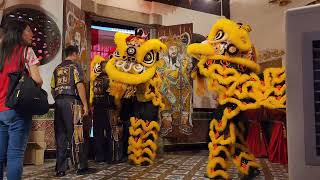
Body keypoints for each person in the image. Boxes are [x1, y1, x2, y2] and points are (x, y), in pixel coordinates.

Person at [0, 20, 43, 180]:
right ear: (20, 33)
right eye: (29, 30)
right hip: (17, 109)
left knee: (0, 156)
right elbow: (37, 80)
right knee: (15, 155)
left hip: (0, 110)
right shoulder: (26, 51)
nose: (32, 34)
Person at [51, 45, 89, 177]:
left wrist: (58, 99)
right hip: (72, 103)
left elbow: (52, 88)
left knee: (60, 135)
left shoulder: (57, 69)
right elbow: (79, 85)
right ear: (75, 54)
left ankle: (60, 168)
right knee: (75, 133)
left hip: (58, 102)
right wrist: (85, 104)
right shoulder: (75, 67)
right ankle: (79, 165)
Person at [92, 61, 123, 163]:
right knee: (112, 132)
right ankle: (112, 157)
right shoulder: (110, 80)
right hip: (109, 109)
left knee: (98, 133)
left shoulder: (96, 80)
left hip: (97, 109)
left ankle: (99, 156)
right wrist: (118, 110)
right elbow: (115, 97)